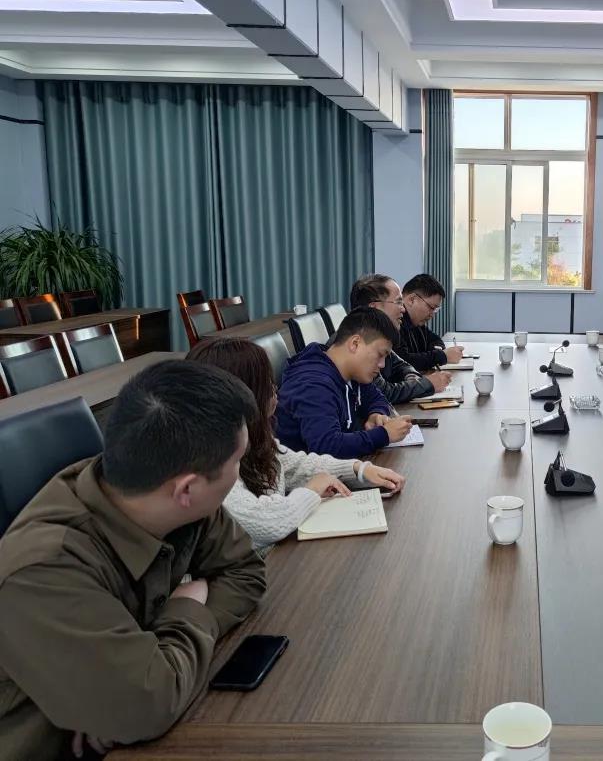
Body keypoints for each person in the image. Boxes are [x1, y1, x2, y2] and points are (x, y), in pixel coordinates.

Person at [0, 361, 267, 759]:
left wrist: (156, 656)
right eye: (237, 462)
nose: (238, 473)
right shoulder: (41, 570)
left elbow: (246, 571)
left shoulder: (166, 494)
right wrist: (186, 609)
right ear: (187, 489)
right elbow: (147, 708)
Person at [187, 338, 405, 550]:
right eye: (267, 382)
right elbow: (266, 524)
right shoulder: (208, 464)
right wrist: (311, 490)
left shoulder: (252, 437)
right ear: (242, 395)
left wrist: (358, 469)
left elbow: (294, 464)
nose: (275, 389)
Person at [276, 307, 414, 459]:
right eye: (380, 355)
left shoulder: (351, 372)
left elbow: (376, 397)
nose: (382, 364)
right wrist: (384, 434)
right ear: (355, 343)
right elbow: (326, 446)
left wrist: (376, 413)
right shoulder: (313, 385)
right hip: (306, 473)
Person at [349, 274, 453, 403]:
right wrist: (427, 384)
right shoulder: (359, 343)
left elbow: (402, 365)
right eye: (398, 302)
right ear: (374, 307)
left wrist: (413, 380)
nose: (403, 309)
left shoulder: (378, 336)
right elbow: (384, 393)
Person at [398, 273, 465, 371]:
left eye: (435, 309)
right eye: (431, 307)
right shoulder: (395, 322)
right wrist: (442, 356)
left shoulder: (416, 323)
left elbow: (435, 340)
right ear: (412, 300)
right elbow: (403, 362)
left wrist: (437, 351)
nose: (432, 314)